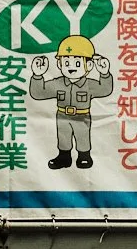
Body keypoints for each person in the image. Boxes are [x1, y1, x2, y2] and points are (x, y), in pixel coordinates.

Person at [27, 35, 113, 171]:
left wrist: (105, 74)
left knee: (83, 136)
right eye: (66, 63)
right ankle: (64, 157)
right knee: (63, 137)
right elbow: (39, 93)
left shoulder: (89, 84)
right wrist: (37, 75)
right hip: (62, 115)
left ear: (89, 65)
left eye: (78, 63)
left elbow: (105, 89)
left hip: (82, 116)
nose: (71, 68)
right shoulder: (58, 83)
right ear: (59, 65)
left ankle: (84, 156)